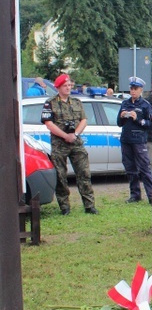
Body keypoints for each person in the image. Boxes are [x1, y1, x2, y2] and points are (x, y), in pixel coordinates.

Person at [40, 73, 97, 215]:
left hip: (76, 142)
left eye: (69, 85)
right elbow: (49, 123)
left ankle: (89, 205)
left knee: (84, 173)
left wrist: (75, 134)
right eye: (65, 86)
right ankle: (64, 207)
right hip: (59, 143)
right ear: (58, 87)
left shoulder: (77, 102)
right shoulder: (50, 102)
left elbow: (83, 120)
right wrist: (65, 135)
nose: (68, 88)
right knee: (61, 175)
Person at [117, 77, 152, 203]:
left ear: (141, 90)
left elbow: (150, 123)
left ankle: (151, 196)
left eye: (135, 89)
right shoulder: (125, 103)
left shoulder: (145, 105)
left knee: (144, 168)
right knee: (130, 168)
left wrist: (137, 118)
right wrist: (122, 116)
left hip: (139, 140)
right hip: (126, 139)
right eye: (131, 89)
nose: (133, 91)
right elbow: (119, 123)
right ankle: (135, 195)